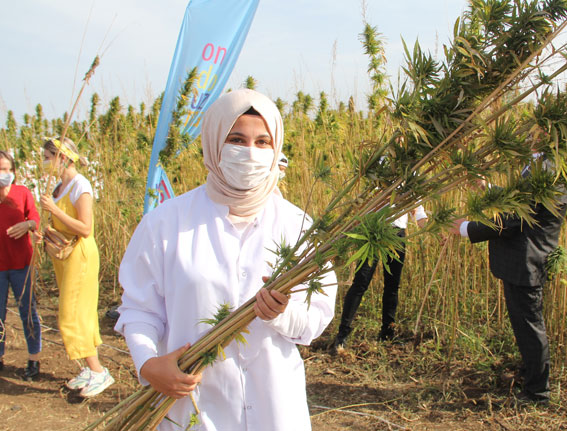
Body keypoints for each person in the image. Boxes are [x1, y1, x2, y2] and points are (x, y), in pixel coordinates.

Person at [115, 89, 338, 431]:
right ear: (214, 142)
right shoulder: (165, 223)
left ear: (276, 148)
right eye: (237, 139)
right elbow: (140, 309)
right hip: (194, 409)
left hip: (275, 410)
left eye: (263, 142)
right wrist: (148, 365)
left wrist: (282, 314)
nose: (250, 152)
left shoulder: (298, 227)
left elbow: (316, 318)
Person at [449, 154, 567, 404]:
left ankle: (537, 392)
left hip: (527, 260)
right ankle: (529, 375)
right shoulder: (540, 165)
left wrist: (466, 228)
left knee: (530, 325)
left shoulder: (547, 170)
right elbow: (519, 203)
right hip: (522, 261)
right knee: (524, 324)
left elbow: (514, 218)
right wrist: (486, 187)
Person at [39, 138, 114, 397]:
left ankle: (98, 372)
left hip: (80, 255)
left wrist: (53, 210)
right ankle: (89, 367)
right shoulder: (60, 186)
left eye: (48, 156)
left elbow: (85, 228)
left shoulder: (80, 185)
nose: (44, 161)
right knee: (81, 313)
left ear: (63, 158)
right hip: (63, 256)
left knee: (71, 315)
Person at [333, 205, 427, 348]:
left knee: (392, 284)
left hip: (397, 234)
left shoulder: (409, 186)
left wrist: (437, 233)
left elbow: (419, 214)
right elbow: (367, 204)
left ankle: (387, 333)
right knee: (361, 282)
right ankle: (342, 335)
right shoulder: (380, 183)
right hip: (375, 230)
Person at [0, 150, 42, 381]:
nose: (5, 174)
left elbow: (35, 220)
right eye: (0, 170)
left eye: (8, 169)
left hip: (21, 264)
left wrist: (27, 225)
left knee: (27, 312)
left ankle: (33, 359)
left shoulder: (22, 193)